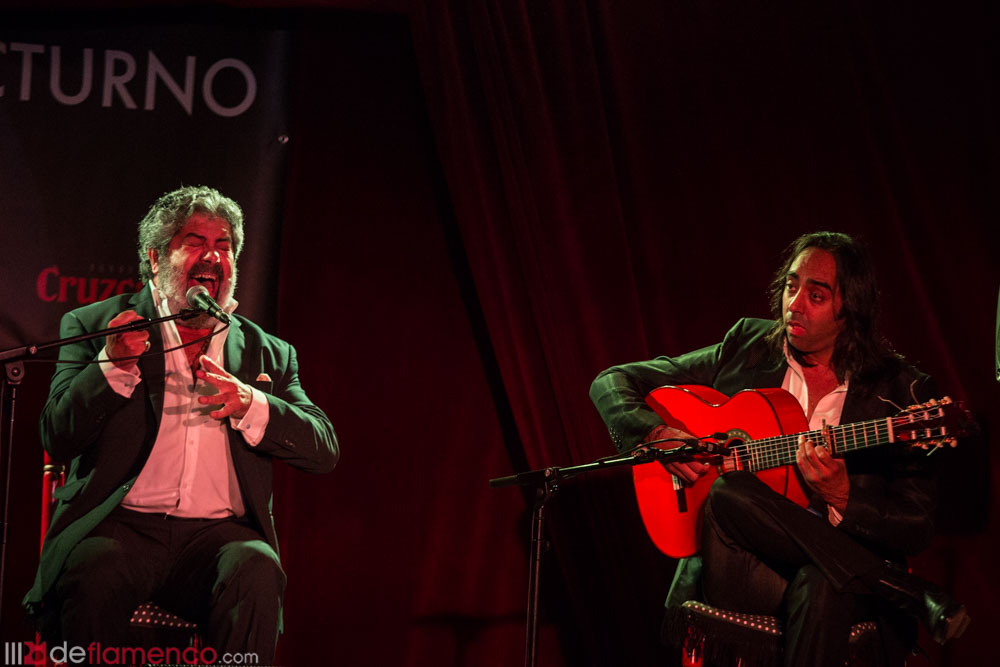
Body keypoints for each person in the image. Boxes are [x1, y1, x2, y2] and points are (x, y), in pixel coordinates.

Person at [590, 232, 968, 666]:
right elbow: (611, 381)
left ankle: (886, 585)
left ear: (850, 309)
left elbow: (915, 528)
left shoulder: (902, 391)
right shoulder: (748, 347)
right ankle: (905, 591)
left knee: (823, 585)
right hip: (743, 565)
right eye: (791, 286)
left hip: (841, 579)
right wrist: (655, 433)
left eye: (816, 295)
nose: (794, 304)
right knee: (728, 491)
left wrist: (844, 497)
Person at [24, 186, 339, 663]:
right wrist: (111, 366)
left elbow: (323, 448)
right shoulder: (98, 326)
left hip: (218, 537)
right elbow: (57, 434)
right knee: (92, 572)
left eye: (224, 245)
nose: (213, 256)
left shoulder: (268, 353)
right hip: (120, 527)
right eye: (195, 242)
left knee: (257, 568)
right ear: (155, 258)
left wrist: (250, 403)